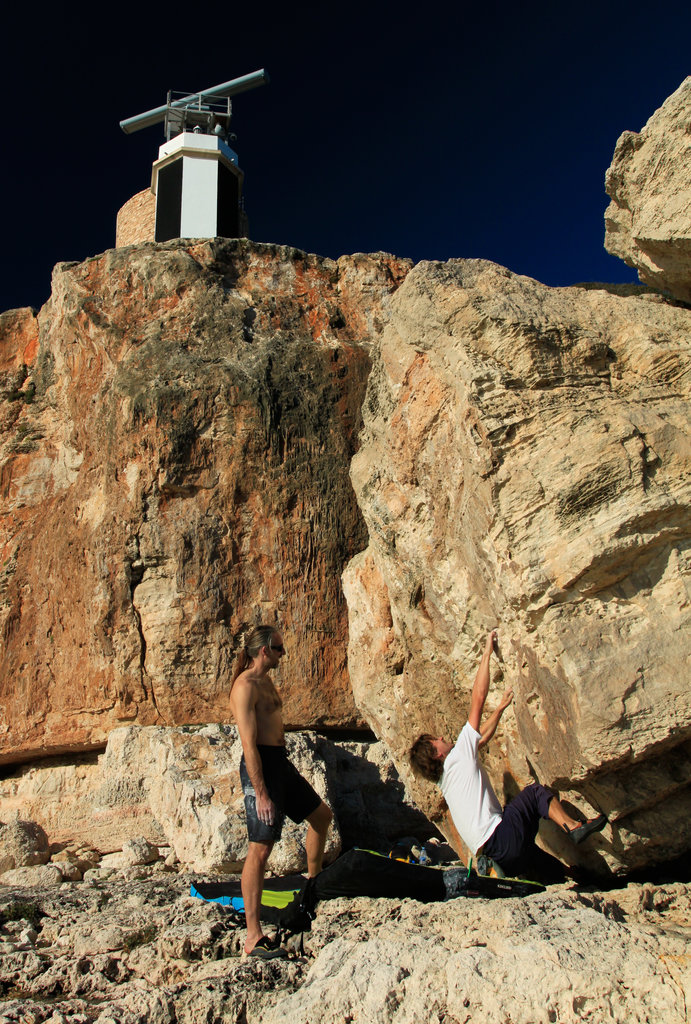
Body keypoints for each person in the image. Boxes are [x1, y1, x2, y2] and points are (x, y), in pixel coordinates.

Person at [409, 630, 607, 882]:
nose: (442, 738)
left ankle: (572, 876)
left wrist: (501, 708)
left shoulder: (446, 781)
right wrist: (486, 653)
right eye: (436, 740)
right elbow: (477, 698)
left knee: (533, 855)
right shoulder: (459, 755)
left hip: (498, 854)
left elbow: (480, 738)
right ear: (436, 753)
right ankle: (573, 826)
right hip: (502, 838)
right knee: (535, 794)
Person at [230, 624, 333, 958]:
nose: (282, 654)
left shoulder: (265, 680)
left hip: (281, 763)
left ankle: (313, 888)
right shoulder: (245, 687)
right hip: (262, 767)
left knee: (321, 816)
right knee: (261, 848)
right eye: (279, 648)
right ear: (264, 651)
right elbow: (248, 745)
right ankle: (253, 936)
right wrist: (260, 792)